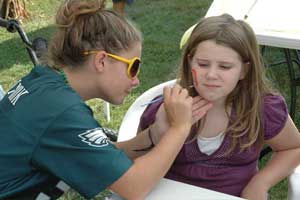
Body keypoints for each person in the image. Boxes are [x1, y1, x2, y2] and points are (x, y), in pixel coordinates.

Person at [0, 0, 212, 199]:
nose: (137, 80)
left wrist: (156, 133)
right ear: (101, 60)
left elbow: (101, 155)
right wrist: (180, 129)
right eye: (133, 67)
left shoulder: (45, 79)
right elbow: (134, 187)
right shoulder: (63, 112)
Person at [138, 14, 300, 199]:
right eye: (203, 64)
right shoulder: (169, 108)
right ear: (190, 61)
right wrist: (161, 130)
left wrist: (260, 183)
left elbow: (293, 147)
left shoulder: (262, 108)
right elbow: (136, 164)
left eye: (224, 66)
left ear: (244, 70)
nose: (212, 75)